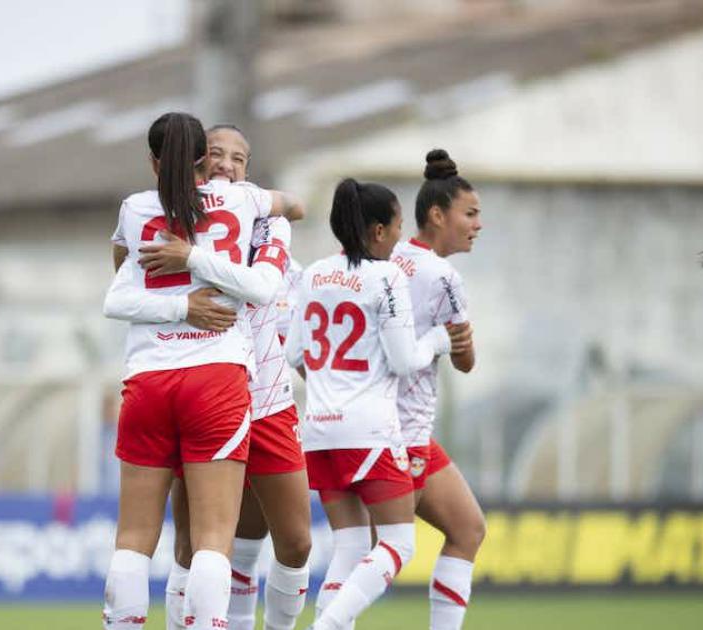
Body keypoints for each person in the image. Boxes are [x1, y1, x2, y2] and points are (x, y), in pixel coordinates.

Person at [101, 111, 303, 630]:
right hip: (216, 377)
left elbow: (117, 291)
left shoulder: (134, 209)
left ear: (151, 160)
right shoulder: (240, 199)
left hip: (147, 377)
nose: (228, 165)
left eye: (238, 159)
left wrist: (177, 291)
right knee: (215, 539)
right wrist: (193, 290)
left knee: (133, 539)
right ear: (203, 160)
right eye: (218, 155)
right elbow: (289, 214)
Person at [285, 178, 462, 629]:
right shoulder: (386, 276)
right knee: (399, 544)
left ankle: (328, 622)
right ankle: (326, 626)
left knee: (350, 545)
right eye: (399, 227)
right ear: (379, 231)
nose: (402, 237)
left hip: (319, 429)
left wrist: (331, 386)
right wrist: (439, 338)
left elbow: (294, 354)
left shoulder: (313, 274)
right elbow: (405, 362)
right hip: (370, 430)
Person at [390, 149, 485, 630]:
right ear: (436, 214)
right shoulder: (443, 276)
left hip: (392, 426)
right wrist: (459, 343)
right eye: (470, 214)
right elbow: (466, 361)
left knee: (467, 528)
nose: (478, 224)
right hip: (403, 433)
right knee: (376, 554)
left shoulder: (392, 258)